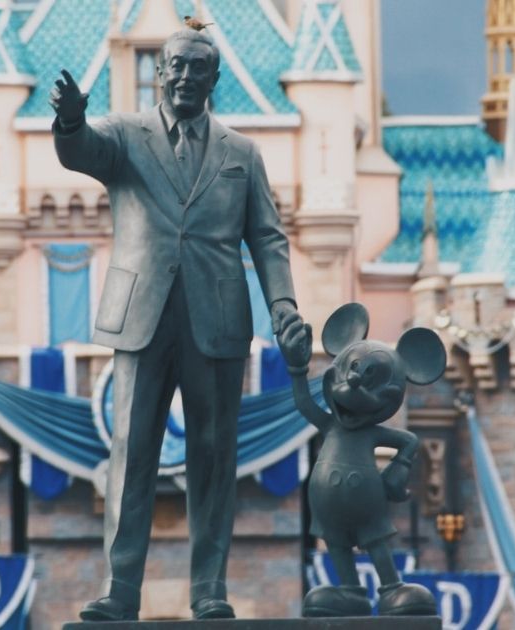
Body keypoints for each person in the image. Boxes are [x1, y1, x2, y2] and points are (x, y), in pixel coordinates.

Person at [51, 26, 306, 622]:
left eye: (199, 69)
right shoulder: (123, 135)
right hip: (141, 316)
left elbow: (267, 238)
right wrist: (68, 123)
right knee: (132, 453)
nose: (186, 77)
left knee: (214, 459)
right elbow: (81, 151)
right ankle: (120, 591)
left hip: (217, 320)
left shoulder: (241, 153)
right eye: (176, 67)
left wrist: (284, 306)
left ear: (216, 80)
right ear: (158, 73)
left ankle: (209, 590)